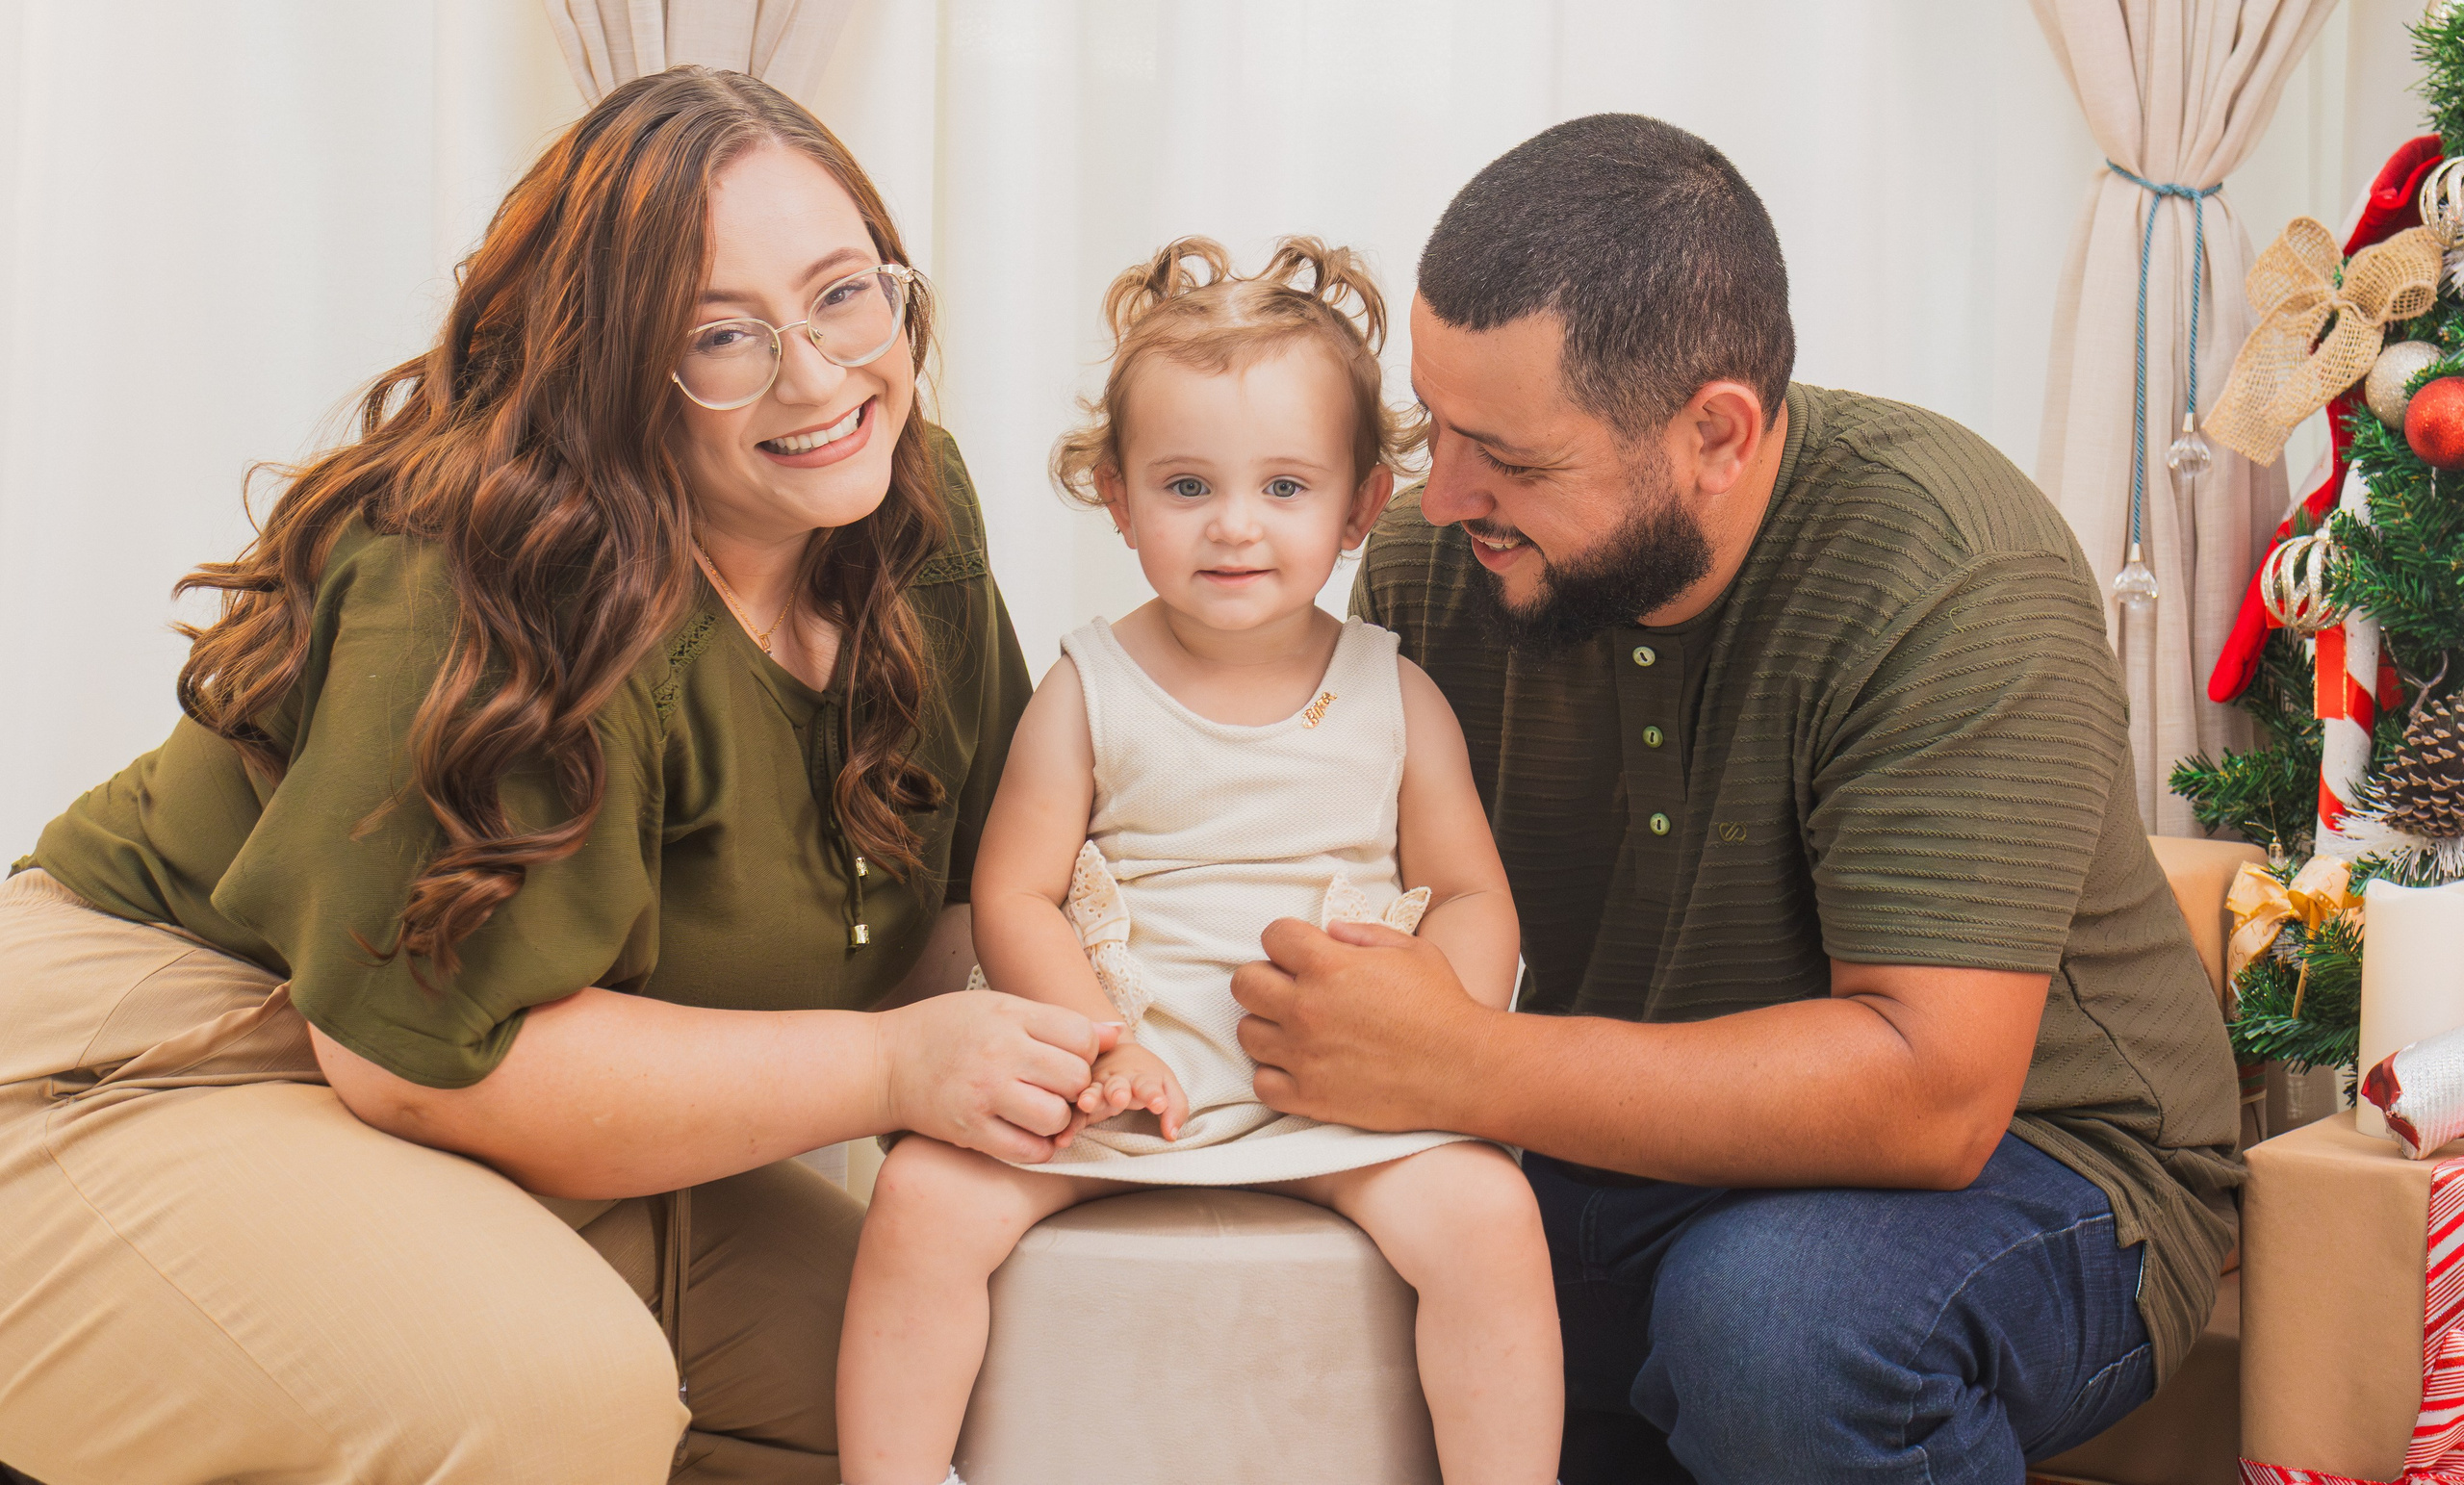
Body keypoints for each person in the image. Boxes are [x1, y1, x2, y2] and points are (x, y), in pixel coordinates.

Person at [0, 67, 1115, 1485]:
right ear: (606, 367)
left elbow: (962, 911)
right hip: (162, 1064)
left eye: (846, 294)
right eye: (722, 334)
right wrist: (900, 1067)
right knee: (549, 1404)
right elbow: (411, 1060)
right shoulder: (482, 578)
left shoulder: (910, 515)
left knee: (939, 1363)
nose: (823, 379)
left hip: (469, 1084)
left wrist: (1135, 1022)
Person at [1229, 115, 2245, 1485]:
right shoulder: (1438, 561)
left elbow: (1931, 1098)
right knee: (1306, 1287)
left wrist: (1460, 1062)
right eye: (1435, 427)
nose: (1439, 493)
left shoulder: (1949, 576)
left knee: (1777, 1324)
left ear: (1716, 433)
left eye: (1515, 460)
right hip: (1628, 1146)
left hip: (2046, 1172)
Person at [835, 239, 1562, 1485]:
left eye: (1285, 487)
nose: (1235, 526)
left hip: (1342, 1089)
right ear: (1117, 496)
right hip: (1126, 1074)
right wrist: (1101, 1045)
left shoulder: (1395, 692)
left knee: (1491, 1216)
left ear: (1359, 506)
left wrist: (1439, 1025)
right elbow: (1012, 889)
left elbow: (1474, 892)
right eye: (1186, 487)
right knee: (923, 1203)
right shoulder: (1086, 687)